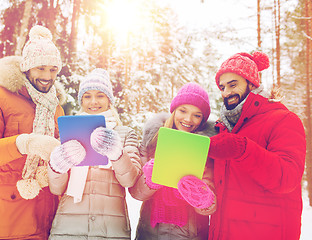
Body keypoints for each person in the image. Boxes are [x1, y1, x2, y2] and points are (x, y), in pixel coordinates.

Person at [0, 25, 65, 240]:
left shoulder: (54, 106)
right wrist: (23, 143)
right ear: (27, 68)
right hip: (8, 224)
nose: (47, 76)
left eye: (53, 69)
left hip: (49, 223)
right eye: (40, 68)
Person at [208, 51, 306, 240]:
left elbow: (287, 178)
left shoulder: (284, 120)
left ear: (251, 83)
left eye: (233, 84)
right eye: (222, 87)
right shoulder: (223, 128)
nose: (226, 92)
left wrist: (243, 149)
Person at [47, 68, 142, 239]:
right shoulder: (68, 132)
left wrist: (116, 154)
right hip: (69, 228)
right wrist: (57, 167)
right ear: (81, 100)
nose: (93, 102)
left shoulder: (125, 133)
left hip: (110, 230)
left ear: (109, 99)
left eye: (100, 95)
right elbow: (56, 188)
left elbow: (130, 180)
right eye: (87, 96)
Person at [129, 82, 217, 240]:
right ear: (174, 110)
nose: (188, 119)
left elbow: (210, 205)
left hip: (190, 234)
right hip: (150, 233)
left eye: (197, 115)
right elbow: (136, 193)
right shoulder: (151, 141)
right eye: (183, 111)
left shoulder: (207, 149)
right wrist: (151, 179)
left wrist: (202, 197)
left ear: (203, 119)